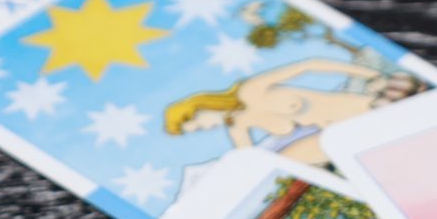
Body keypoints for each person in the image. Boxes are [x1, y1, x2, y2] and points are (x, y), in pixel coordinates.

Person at [165, 59, 420, 164]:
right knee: (286, 158)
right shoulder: (238, 126)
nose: (204, 128)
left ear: (201, 108)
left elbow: (309, 65)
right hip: (341, 138)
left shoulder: (251, 90)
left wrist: (371, 75)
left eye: (197, 124)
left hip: (360, 111)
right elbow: (253, 163)